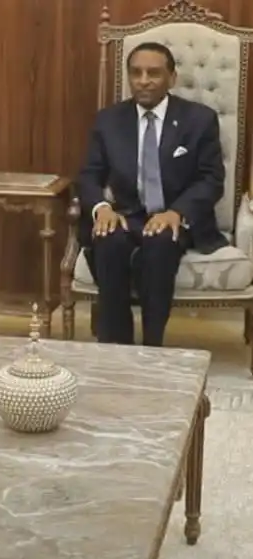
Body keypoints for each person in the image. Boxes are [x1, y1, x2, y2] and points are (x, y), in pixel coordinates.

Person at [76, 41, 226, 347]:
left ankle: (152, 345)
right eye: (136, 73)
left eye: (153, 73)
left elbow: (211, 179)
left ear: (172, 78)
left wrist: (177, 212)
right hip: (127, 213)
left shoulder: (199, 120)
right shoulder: (109, 121)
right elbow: (89, 174)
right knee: (107, 239)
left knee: (161, 241)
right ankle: (116, 345)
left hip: (175, 216)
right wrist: (102, 208)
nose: (143, 80)